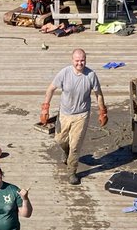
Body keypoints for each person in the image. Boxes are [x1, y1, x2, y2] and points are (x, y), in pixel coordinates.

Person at [39, 48, 108, 185]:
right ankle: (67, 152)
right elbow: (51, 89)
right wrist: (45, 108)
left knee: (75, 145)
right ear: (72, 61)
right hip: (64, 113)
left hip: (81, 115)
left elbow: (98, 94)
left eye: (82, 60)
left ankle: (72, 172)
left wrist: (103, 111)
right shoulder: (64, 73)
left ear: (85, 60)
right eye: (77, 61)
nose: (80, 63)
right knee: (59, 139)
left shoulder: (91, 75)